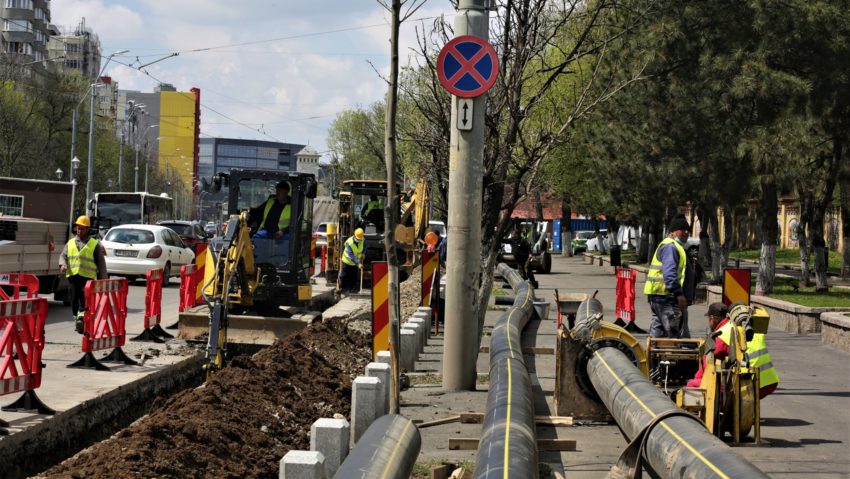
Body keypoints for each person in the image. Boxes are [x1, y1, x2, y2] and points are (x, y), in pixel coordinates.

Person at [687, 303, 779, 399]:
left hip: (747, 382)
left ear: (712, 318)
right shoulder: (752, 329)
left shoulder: (723, 334)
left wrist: (694, 382)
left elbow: (707, 366)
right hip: (768, 381)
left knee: (714, 392)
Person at [644, 214, 694, 338]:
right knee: (673, 334)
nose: (686, 232)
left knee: (658, 333)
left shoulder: (674, 246)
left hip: (660, 297)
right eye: (682, 229)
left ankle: (654, 350)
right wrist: (678, 294)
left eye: (688, 230)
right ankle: (670, 351)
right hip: (666, 298)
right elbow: (669, 273)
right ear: (672, 232)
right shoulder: (670, 247)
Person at [59, 215, 108, 333]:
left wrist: (103, 280)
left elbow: (101, 263)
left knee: (83, 298)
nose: (79, 230)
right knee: (74, 299)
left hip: (87, 278)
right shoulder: (70, 242)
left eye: (82, 228)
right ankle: (78, 319)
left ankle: (82, 318)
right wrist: (62, 264)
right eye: (78, 228)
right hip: (72, 276)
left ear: (87, 229)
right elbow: (63, 256)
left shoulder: (94, 244)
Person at [338, 228, 365, 293]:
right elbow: (350, 255)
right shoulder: (349, 243)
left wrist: (363, 253)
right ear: (354, 236)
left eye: (360, 239)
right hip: (347, 262)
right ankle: (343, 289)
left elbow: (364, 246)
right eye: (358, 239)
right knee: (344, 276)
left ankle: (352, 290)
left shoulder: (362, 240)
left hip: (355, 263)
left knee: (353, 277)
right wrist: (358, 263)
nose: (359, 240)